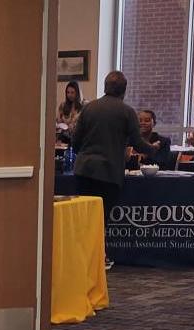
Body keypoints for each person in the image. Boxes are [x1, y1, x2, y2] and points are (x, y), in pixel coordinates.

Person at [69, 71, 155, 263]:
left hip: (83, 170)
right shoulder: (126, 112)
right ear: (124, 90)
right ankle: (99, 257)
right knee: (101, 218)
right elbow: (138, 143)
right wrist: (154, 149)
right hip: (108, 173)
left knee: (85, 217)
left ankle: (82, 257)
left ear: (105, 86)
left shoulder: (89, 108)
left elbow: (75, 141)